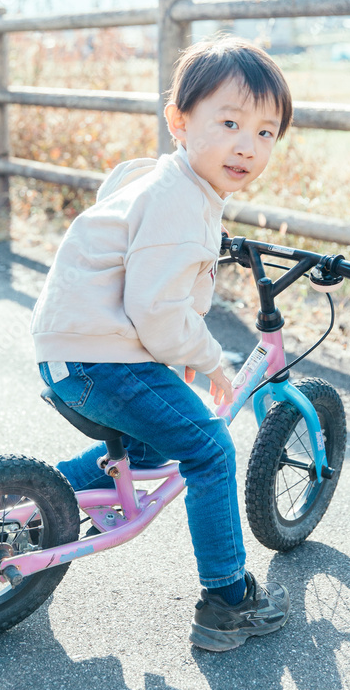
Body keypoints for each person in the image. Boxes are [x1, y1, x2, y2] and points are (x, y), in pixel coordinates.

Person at [30, 35, 293, 651]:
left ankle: (43, 498)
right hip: (103, 358)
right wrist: (210, 362)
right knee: (209, 451)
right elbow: (156, 310)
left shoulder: (166, 181)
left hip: (75, 351)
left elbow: (136, 234)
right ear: (179, 121)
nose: (247, 146)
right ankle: (227, 601)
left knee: (153, 445)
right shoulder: (178, 202)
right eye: (229, 123)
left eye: (265, 132)